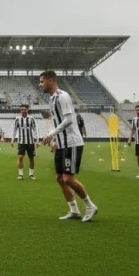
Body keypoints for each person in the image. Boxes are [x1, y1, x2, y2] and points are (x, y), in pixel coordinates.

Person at [39, 71, 97, 222]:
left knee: (68, 179)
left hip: (72, 143)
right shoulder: (52, 99)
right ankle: (74, 210)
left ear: (50, 81)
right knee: (59, 178)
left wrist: (51, 134)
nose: (40, 84)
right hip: (61, 143)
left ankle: (90, 206)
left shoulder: (63, 96)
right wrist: (55, 140)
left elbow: (70, 119)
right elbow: (57, 122)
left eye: (42, 81)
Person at [11, 103, 39, 180]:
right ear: (20, 110)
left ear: (27, 110)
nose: (23, 111)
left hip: (30, 142)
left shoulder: (31, 119)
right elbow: (14, 130)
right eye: (22, 109)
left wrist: (37, 141)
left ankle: (31, 175)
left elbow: (35, 130)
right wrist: (12, 140)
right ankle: (20, 175)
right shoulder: (17, 119)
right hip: (21, 142)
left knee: (31, 158)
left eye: (25, 109)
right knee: (20, 157)